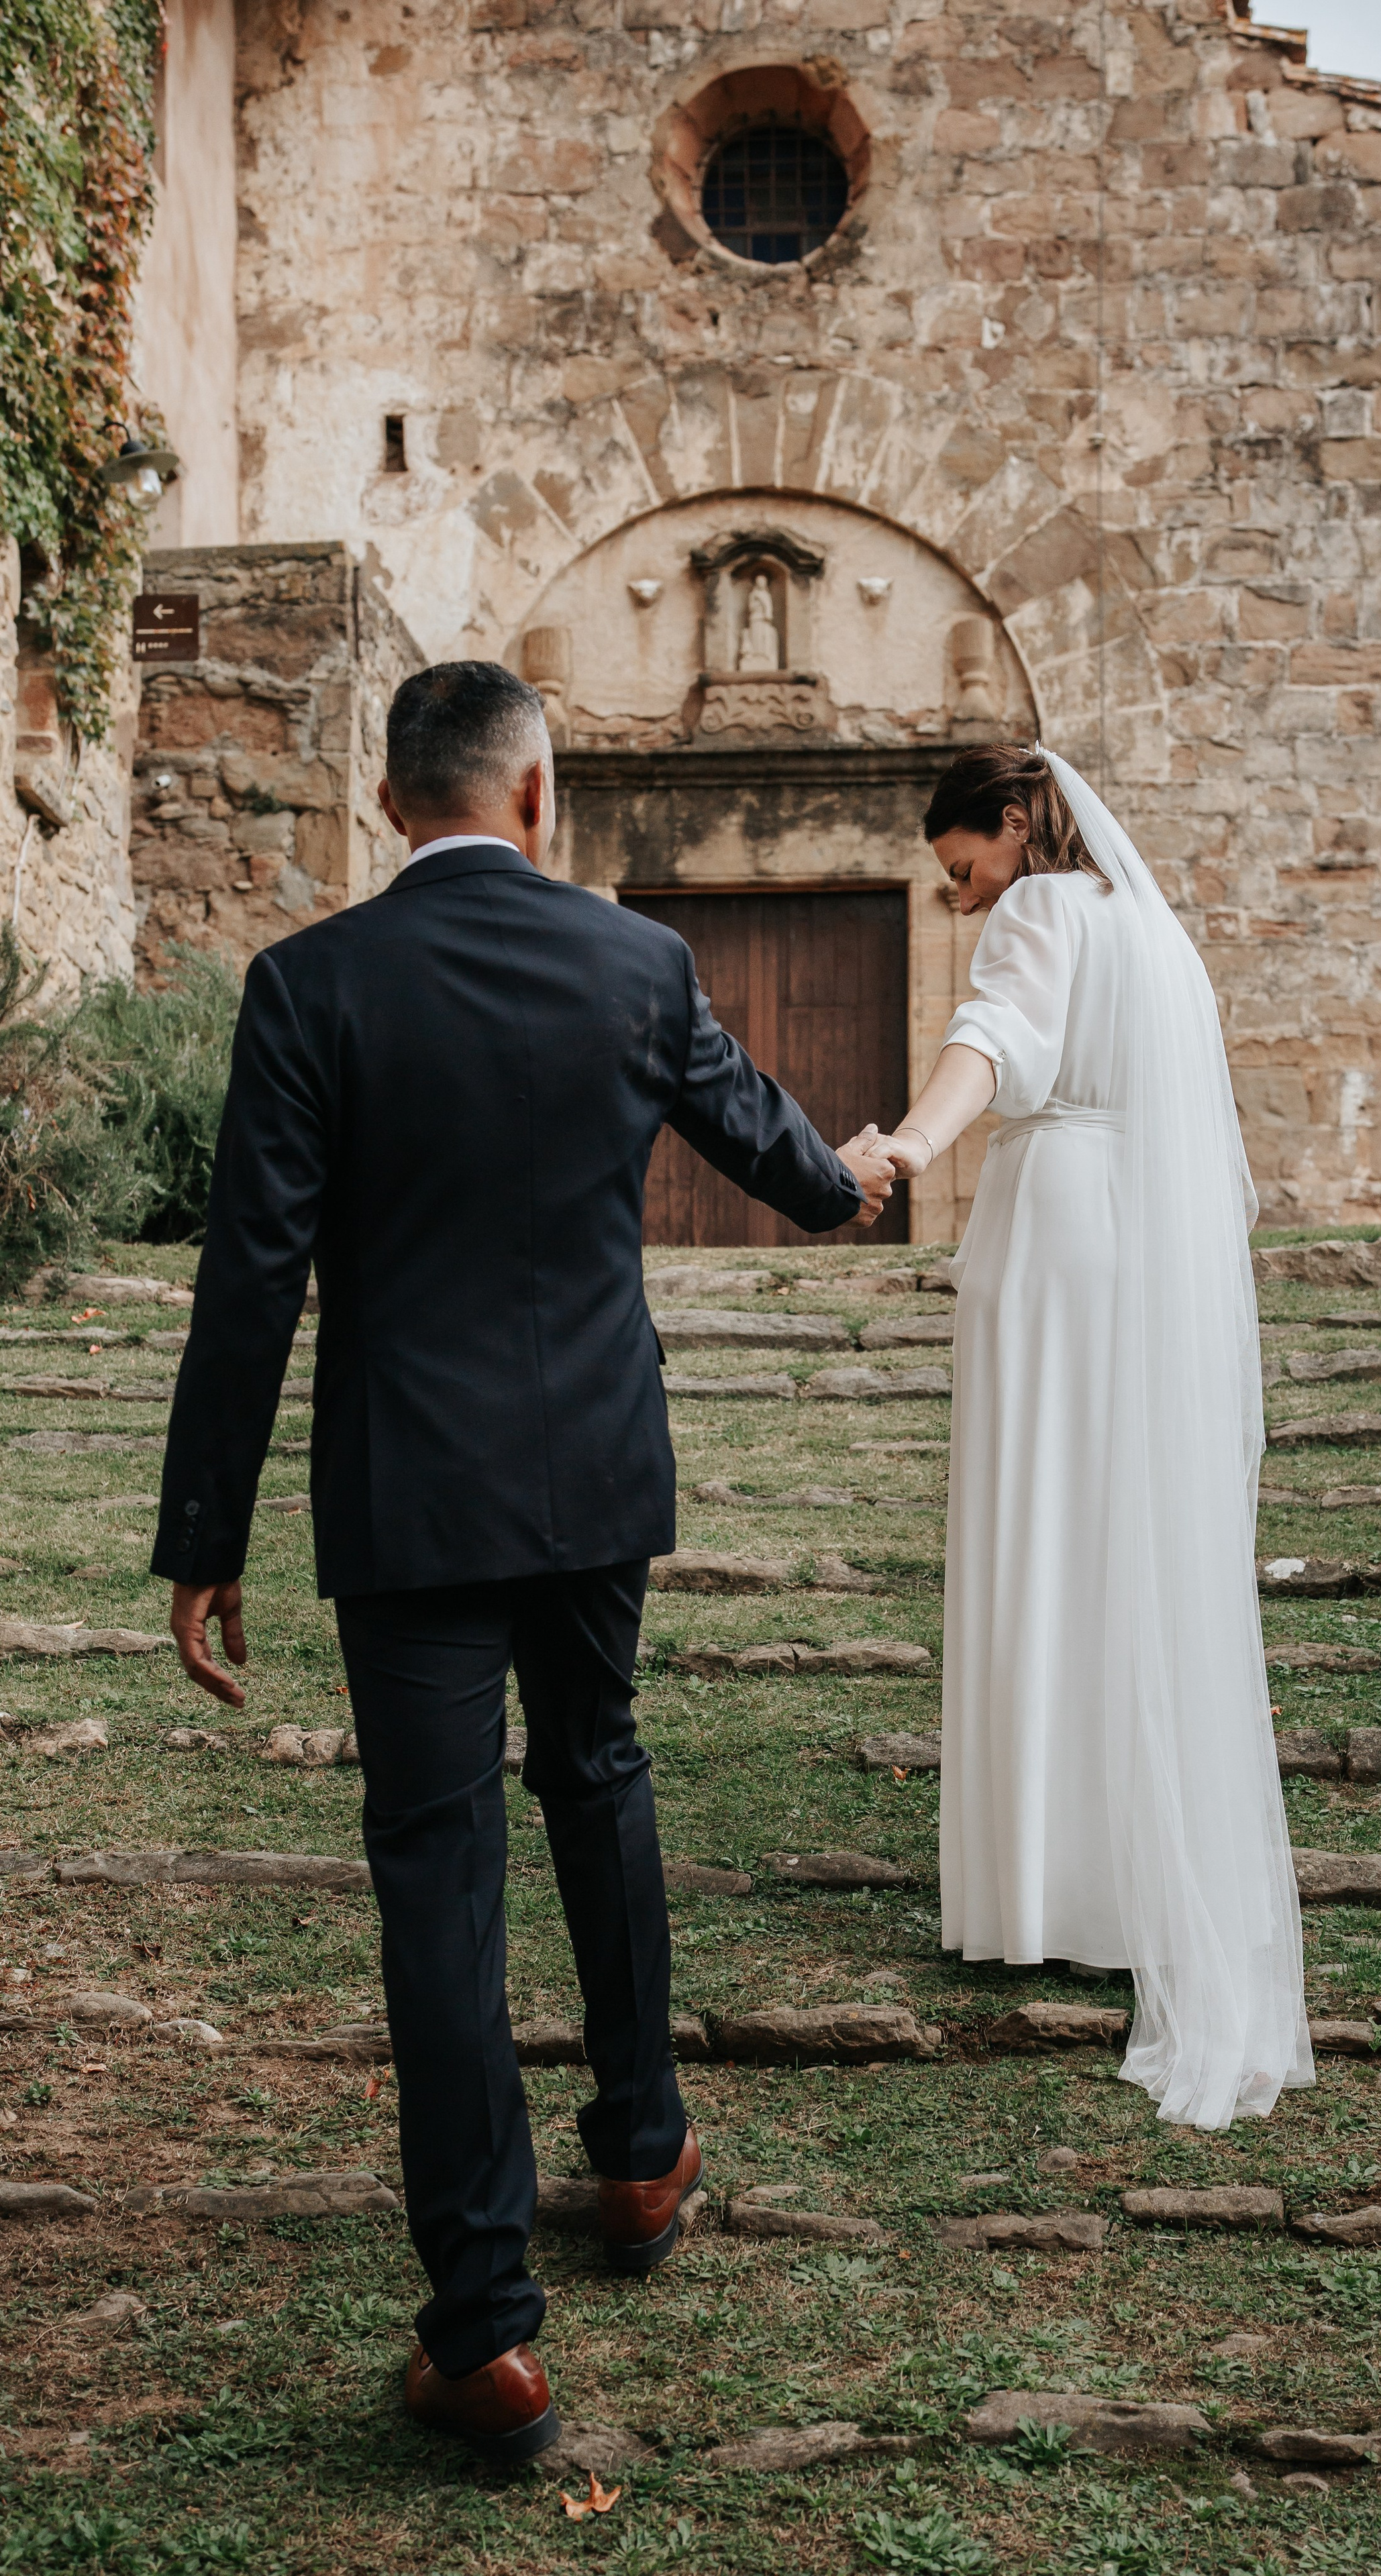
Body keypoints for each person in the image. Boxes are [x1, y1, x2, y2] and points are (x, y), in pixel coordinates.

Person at [152, 661, 897, 2463]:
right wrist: (857, 1170)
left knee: (436, 1871)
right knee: (599, 1770)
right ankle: (642, 2153)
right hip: (591, 1479)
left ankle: (484, 2328)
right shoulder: (635, 965)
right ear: (539, 795)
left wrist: (204, 1534)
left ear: (393, 801)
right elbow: (787, 1168)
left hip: (408, 1501)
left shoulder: (309, 986)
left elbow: (254, 1277)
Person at [878, 744, 1311, 2132]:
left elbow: (996, 1045)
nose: (963, 902)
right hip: (1150, 1261)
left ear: (1014, 824)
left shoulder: (1046, 910)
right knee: (1129, 1544)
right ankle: (1128, 1875)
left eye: (964, 868)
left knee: (1040, 1534)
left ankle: (1040, 1883)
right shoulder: (1159, 939)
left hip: (1059, 1239)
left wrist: (900, 1145)